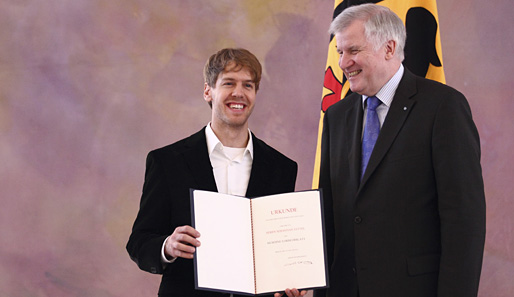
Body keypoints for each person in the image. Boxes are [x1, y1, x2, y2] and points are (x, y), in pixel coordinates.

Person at [315, 4, 486, 297]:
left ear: (389, 48)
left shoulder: (443, 108)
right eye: (340, 52)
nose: (343, 63)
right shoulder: (336, 116)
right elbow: (329, 217)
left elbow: (464, 223)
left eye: (352, 51)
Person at [127, 48, 302, 297]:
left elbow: (278, 252)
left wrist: (290, 285)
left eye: (248, 85)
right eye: (228, 83)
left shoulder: (282, 168)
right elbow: (139, 243)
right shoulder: (167, 162)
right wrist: (168, 246)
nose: (238, 93)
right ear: (208, 91)